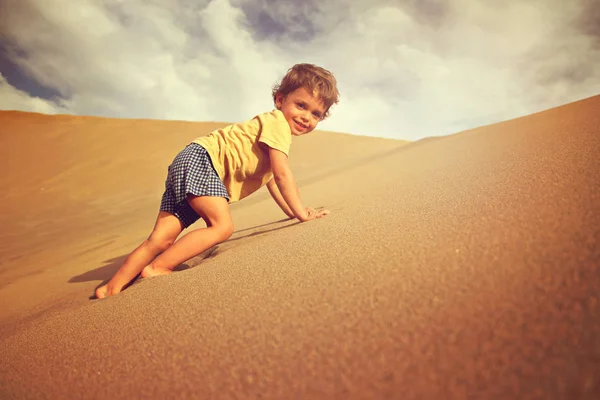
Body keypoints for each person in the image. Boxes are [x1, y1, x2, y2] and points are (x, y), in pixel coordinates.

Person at [95, 63, 340, 298]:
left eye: (316, 113)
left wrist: (291, 212)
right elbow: (282, 174)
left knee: (161, 238)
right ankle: (158, 267)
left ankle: (110, 289)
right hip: (203, 161)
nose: (306, 117)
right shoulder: (278, 125)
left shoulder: (270, 137)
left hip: (189, 160)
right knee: (221, 227)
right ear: (280, 100)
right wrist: (303, 214)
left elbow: (271, 181)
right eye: (300, 105)